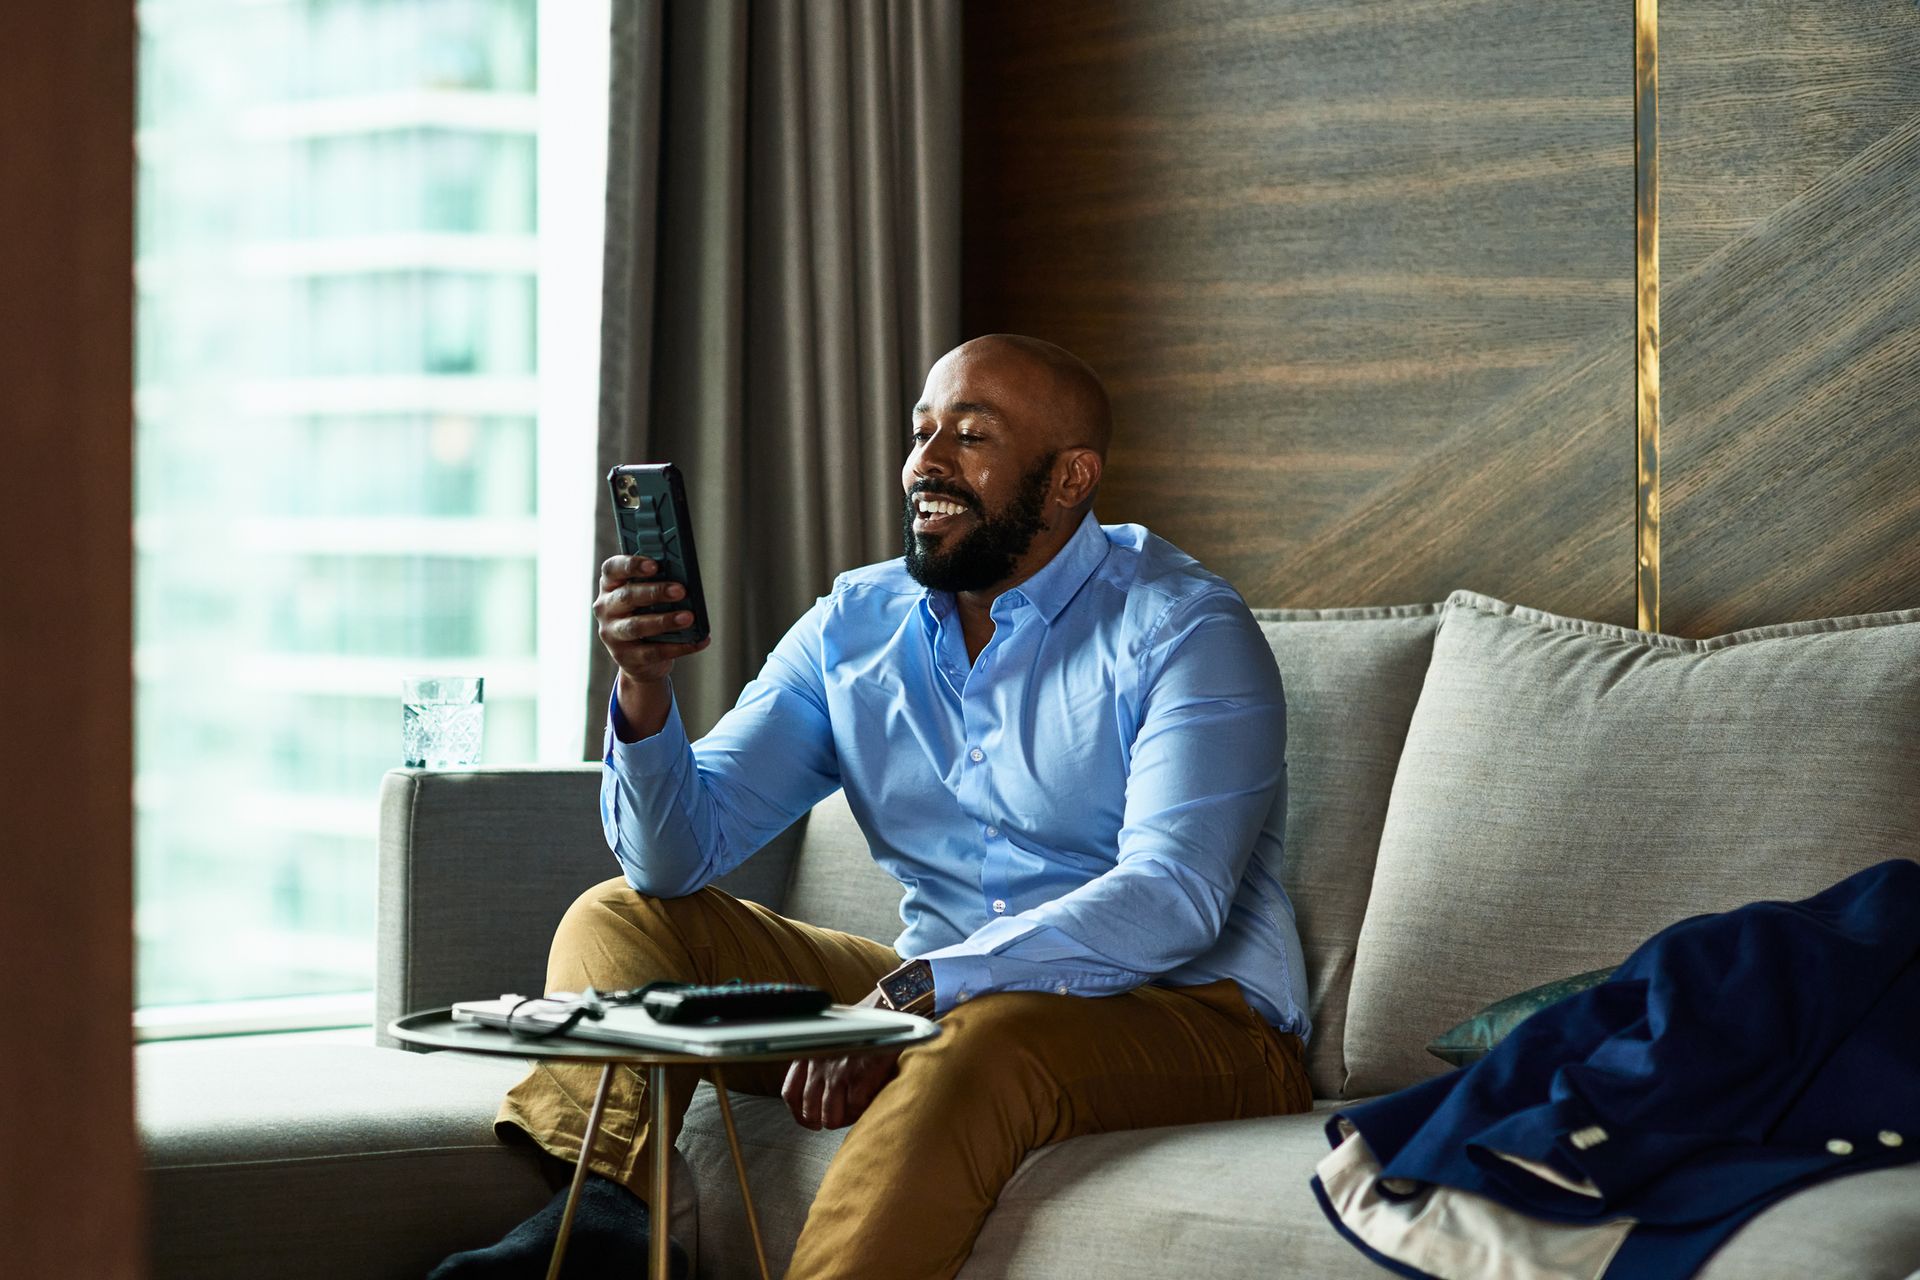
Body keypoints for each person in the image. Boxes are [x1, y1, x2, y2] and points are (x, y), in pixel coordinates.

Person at [430, 334, 1313, 1279]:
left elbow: (1172, 895)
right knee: (621, 917)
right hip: (934, 997)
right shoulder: (856, 624)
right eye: (922, 432)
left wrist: (921, 996)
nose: (925, 465)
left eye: (969, 437)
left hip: (1196, 1019)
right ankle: (602, 1227)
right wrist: (643, 687)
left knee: (980, 1035)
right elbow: (675, 858)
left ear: (1070, 479)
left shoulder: (1183, 627)